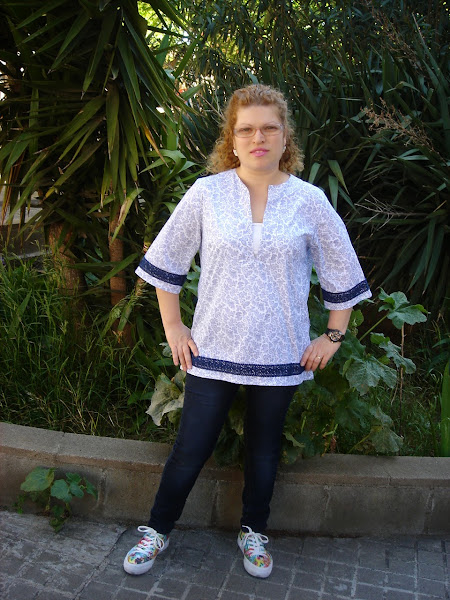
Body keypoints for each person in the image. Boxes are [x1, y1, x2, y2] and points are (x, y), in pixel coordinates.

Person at [124, 84, 371, 579]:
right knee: (191, 447)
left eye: (269, 128)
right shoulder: (207, 194)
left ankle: (253, 530)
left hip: (281, 351)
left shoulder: (309, 201)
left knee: (263, 450)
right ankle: (157, 529)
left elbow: (341, 268)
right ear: (231, 139)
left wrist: (333, 336)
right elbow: (167, 259)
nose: (258, 138)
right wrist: (173, 326)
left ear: (285, 137)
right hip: (213, 347)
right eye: (246, 129)